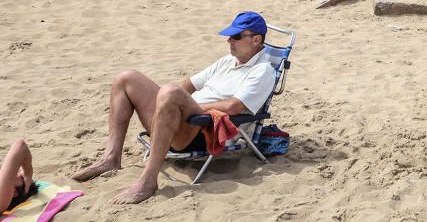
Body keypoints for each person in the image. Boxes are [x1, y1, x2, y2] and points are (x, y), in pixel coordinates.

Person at [71, 12, 274, 205]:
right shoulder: (228, 61)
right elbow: (188, 85)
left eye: (236, 36)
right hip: (177, 121)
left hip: (201, 130)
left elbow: (234, 106)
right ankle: (111, 158)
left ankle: (148, 181)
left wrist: (186, 105)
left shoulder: (262, 71)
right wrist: (168, 104)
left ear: (256, 40)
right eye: (229, 36)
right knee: (126, 78)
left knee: (170, 92)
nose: (229, 41)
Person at [1, 140, 34, 213]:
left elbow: (20, 146)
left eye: (21, 177)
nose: (18, 172)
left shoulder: (2, 199)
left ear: (14, 192)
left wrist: (28, 172)